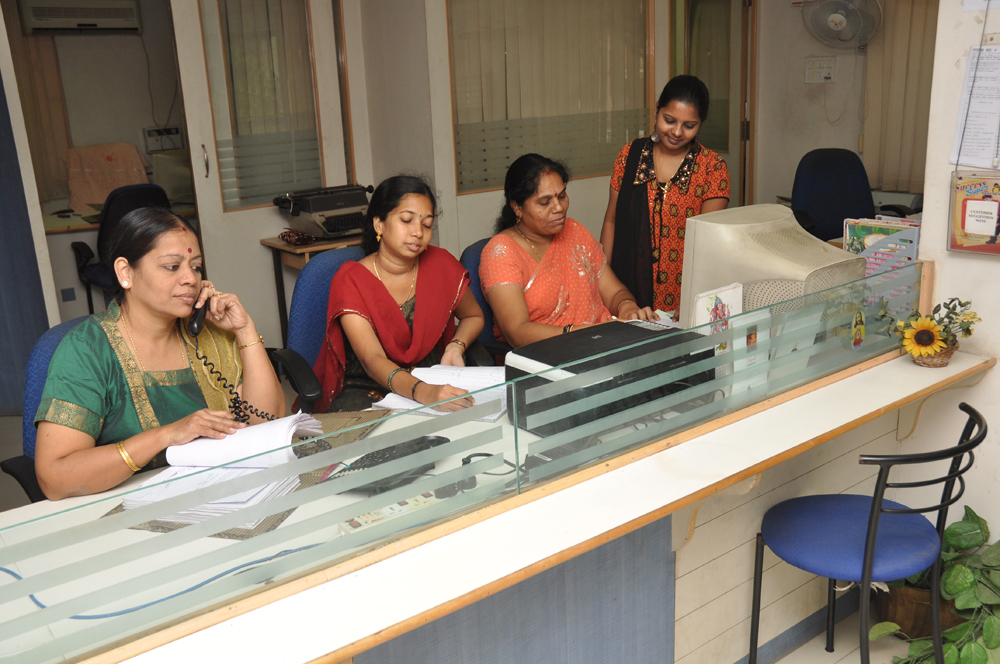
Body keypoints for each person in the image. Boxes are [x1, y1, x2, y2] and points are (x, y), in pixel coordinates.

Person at [35, 208, 286, 500]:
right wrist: (167, 435)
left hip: (223, 494)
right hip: (126, 506)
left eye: (196, 267)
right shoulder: (87, 350)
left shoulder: (210, 335)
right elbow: (54, 478)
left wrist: (245, 331)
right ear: (125, 272)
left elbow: (268, 427)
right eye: (171, 266)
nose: (190, 279)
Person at [313, 175, 484, 412]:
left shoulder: (441, 265)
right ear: (379, 224)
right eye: (406, 220)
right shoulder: (351, 280)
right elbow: (372, 360)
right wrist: (423, 392)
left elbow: (473, 316)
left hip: (432, 379)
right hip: (368, 389)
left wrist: (456, 346)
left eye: (426, 224)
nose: (418, 232)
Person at [479, 153, 657, 348]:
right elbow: (517, 332)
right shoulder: (501, 253)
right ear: (517, 207)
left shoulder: (574, 231)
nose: (559, 207)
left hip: (603, 343)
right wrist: (585, 333)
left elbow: (615, 292)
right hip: (547, 356)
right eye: (544, 202)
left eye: (562, 196)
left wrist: (627, 307)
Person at [600, 75, 730, 314]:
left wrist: (695, 297)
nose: (677, 132)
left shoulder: (712, 168)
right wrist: (603, 282)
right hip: (627, 291)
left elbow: (708, 245)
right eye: (669, 120)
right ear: (657, 110)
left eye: (689, 126)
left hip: (684, 296)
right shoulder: (630, 156)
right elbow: (611, 221)